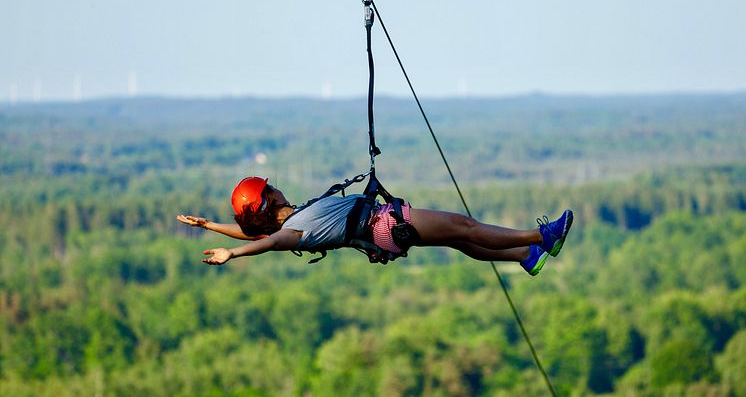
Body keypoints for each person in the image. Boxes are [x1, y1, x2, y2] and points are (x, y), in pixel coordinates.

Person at [177, 176, 573, 276]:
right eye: (269, 187)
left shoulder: (289, 222)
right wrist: (234, 253)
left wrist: (210, 225)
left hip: (384, 233)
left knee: (459, 241)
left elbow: (255, 234)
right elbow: (265, 243)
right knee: (465, 226)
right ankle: (542, 237)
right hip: (386, 224)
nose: (276, 185)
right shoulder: (291, 232)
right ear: (268, 199)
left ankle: (526, 255)